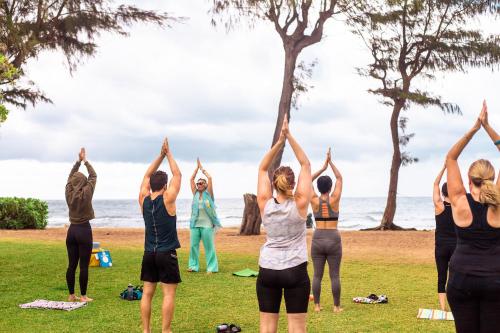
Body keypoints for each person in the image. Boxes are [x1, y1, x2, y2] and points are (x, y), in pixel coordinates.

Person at [446, 101, 500, 333]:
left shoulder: (459, 200)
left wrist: (474, 129)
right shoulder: (498, 204)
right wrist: (488, 127)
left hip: (461, 280)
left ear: (469, 180)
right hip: (495, 282)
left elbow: (451, 158)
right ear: (493, 177)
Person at [256, 116, 312, 333]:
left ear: (273, 184)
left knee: (267, 327)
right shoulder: (300, 204)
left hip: (268, 269)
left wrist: (279, 142)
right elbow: (306, 164)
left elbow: (262, 168)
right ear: (293, 184)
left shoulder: (264, 204)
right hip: (295, 269)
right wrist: (289, 136)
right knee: (297, 327)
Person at [138, 138, 182, 333]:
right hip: (166, 254)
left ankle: (146, 331)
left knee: (147, 293)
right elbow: (177, 174)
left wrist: (160, 156)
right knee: (168, 294)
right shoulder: (169, 199)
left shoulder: (143, 200)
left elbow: (147, 174)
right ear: (165, 185)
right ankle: (165, 330)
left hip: (149, 253)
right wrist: (169, 154)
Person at [310, 147, 343, 313]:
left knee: (317, 275)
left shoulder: (314, 200)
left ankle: (316, 306)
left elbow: (307, 181)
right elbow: (339, 177)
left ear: (318, 187)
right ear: (330, 187)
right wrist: (330, 163)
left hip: (317, 238)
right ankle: (336, 307)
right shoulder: (335, 199)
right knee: (334, 275)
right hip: (333, 238)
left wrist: (322, 167)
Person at [65, 147, 96, 303]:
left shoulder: (68, 192)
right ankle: (83, 296)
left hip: (71, 231)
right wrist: (85, 161)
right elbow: (93, 175)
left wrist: (78, 162)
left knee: (72, 265)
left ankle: (71, 295)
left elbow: (70, 177)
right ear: (83, 182)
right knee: (83, 266)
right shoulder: (87, 192)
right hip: (84, 230)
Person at [188, 158, 222, 273]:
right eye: (198, 183)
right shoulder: (195, 194)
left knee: (209, 247)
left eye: (201, 183)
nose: (199, 184)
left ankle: (212, 268)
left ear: (206, 185)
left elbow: (210, 178)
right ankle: (193, 266)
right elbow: (191, 179)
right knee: (193, 246)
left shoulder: (209, 194)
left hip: (207, 224)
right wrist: (196, 169)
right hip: (195, 224)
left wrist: (202, 169)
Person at [433, 163, 456, 311]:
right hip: (456, 247)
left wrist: (444, 168)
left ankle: (443, 308)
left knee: (442, 276)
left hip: (441, 247)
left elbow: (435, 183)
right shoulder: (459, 207)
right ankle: (456, 306)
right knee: (454, 278)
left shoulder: (439, 206)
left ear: (442, 193)